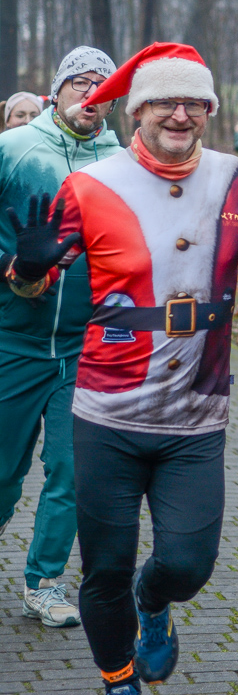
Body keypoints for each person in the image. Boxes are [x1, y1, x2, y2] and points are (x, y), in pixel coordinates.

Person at [3, 42, 238, 695]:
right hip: (106, 408)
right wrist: (29, 267)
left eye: (193, 102)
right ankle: (118, 679)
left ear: (208, 108)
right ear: (137, 109)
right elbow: (31, 285)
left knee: (186, 564)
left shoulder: (236, 175)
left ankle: (156, 603)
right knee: (104, 571)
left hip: (195, 412)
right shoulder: (91, 184)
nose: (180, 114)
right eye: (164, 102)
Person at [0, 46, 119, 631]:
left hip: (83, 347)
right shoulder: (14, 149)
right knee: (2, 471)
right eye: (80, 82)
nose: (90, 94)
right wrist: (11, 262)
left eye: (102, 86)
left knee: (72, 471)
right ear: (57, 90)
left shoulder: (122, 161)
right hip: (12, 341)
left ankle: (43, 583)